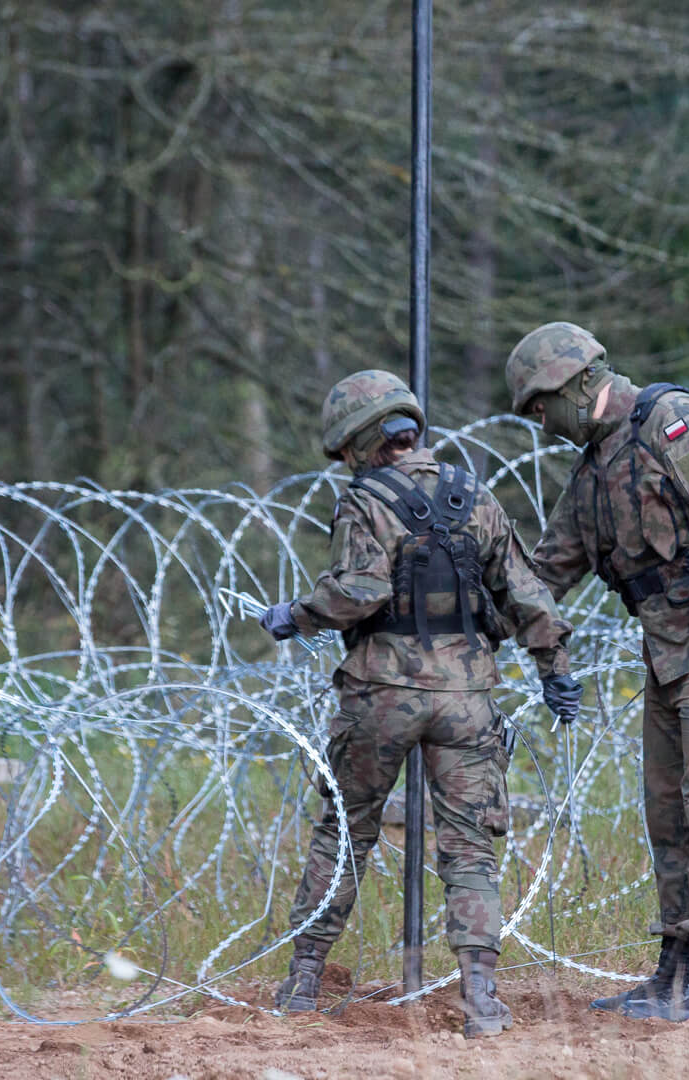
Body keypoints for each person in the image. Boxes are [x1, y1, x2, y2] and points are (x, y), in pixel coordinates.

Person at [260, 369, 583, 1037]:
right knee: (470, 848)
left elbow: (361, 590)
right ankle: (482, 1000)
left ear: (360, 441)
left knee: (346, 833)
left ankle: (304, 979)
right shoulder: (475, 495)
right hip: (466, 697)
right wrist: (554, 670)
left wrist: (298, 614)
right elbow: (528, 595)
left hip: (382, 692)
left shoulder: (364, 500)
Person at [504, 321, 689, 1022]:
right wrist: (474, 609)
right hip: (668, 651)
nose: (543, 425)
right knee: (669, 811)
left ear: (583, 383)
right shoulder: (592, 475)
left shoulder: (671, 425)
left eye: (544, 406)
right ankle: (676, 967)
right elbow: (545, 572)